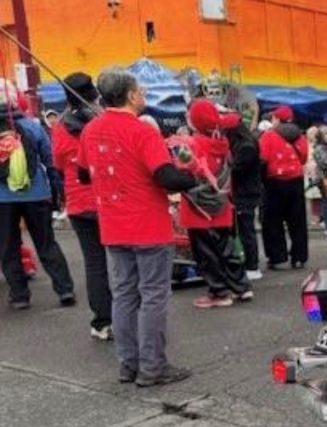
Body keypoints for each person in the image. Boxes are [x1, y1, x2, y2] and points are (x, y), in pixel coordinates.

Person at [78, 66, 199, 387]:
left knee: (124, 296)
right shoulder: (143, 131)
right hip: (147, 225)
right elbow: (165, 177)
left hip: (113, 226)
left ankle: (128, 365)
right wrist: (192, 177)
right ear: (131, 95)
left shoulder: (91, 131)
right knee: (153, 297)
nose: (144, 95)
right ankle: (152, 366)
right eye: (141, 91)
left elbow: (82, 174)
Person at [0, 79, 76, 311]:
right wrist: (56, 191)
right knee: (46, 243)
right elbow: (50, 160)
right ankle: (65, 289)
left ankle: (20, 295)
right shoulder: (33, 126)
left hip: (3, 200)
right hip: (36, 194)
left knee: (8, 247)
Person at [52, 72, 111, 339]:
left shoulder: (60, 127)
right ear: (93, 93)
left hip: (78, 203)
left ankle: (102, 321)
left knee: (95, 264)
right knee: (123, 261)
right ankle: (130, 313)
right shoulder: (102, 121)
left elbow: (58, 164)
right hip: (108, 200)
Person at [178, 99, 252, 308]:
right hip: (221, 204)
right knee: (227, 249)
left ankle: (219, 292)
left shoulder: (191, 144)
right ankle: (241, 287)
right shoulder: (223, 143)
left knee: (206, 255)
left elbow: (182, 171)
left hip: (199, 209)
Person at [259, 105, 309, 270]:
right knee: (298, 221)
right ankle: (299, 257)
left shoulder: (269, 136)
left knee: (272, 221)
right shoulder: (300, 136)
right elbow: (303, 158)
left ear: (277, 119)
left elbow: (263, 158)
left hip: (274, 182)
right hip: (296, 180)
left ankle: (277, 257)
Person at [223, 109, 264, 281]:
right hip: (246, 191)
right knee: (245, 229)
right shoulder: (247, 143)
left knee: (246, 229)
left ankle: (252, 266)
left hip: (244, 193)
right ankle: (249, 263)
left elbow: (236, 169)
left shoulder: (245, 147)